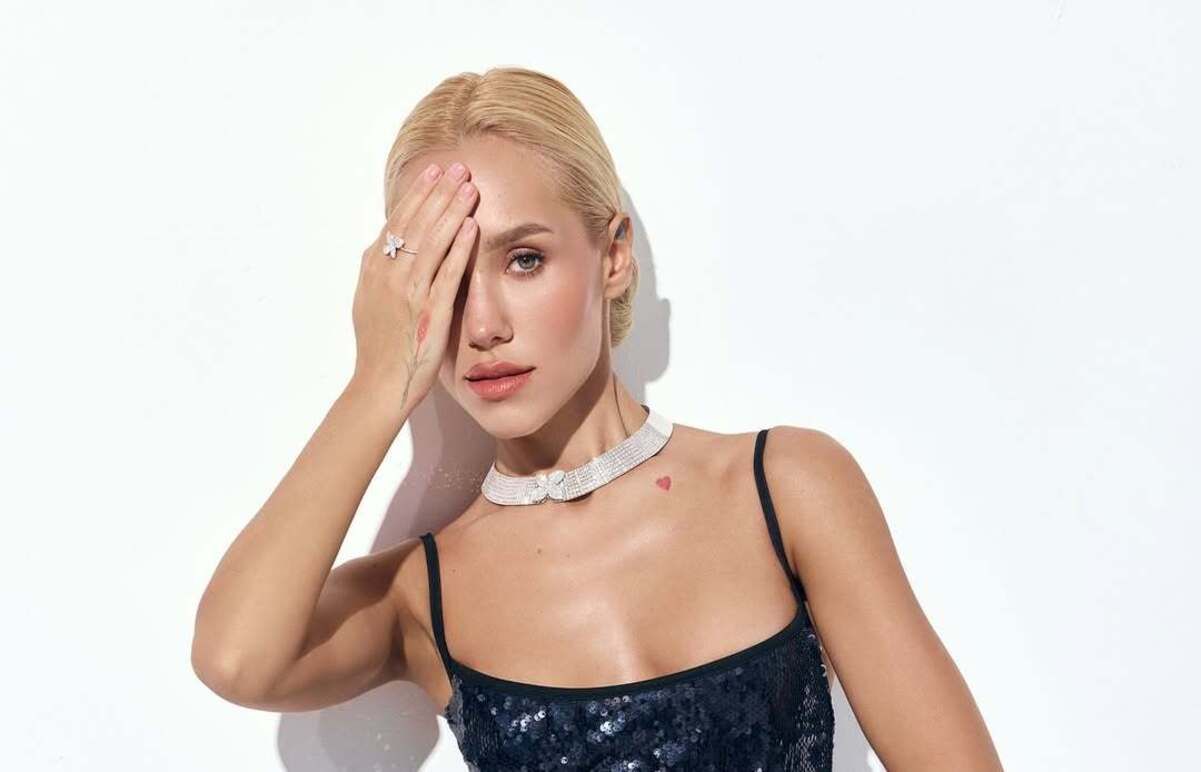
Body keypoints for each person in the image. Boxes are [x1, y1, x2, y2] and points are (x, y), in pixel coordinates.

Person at [192, 66, 1003, 771]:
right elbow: (236, 659)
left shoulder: (782, 488)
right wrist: (376, 382)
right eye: (445, 280)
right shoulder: (422, 593)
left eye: (524, 260)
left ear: (613, 255)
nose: (483, 325)